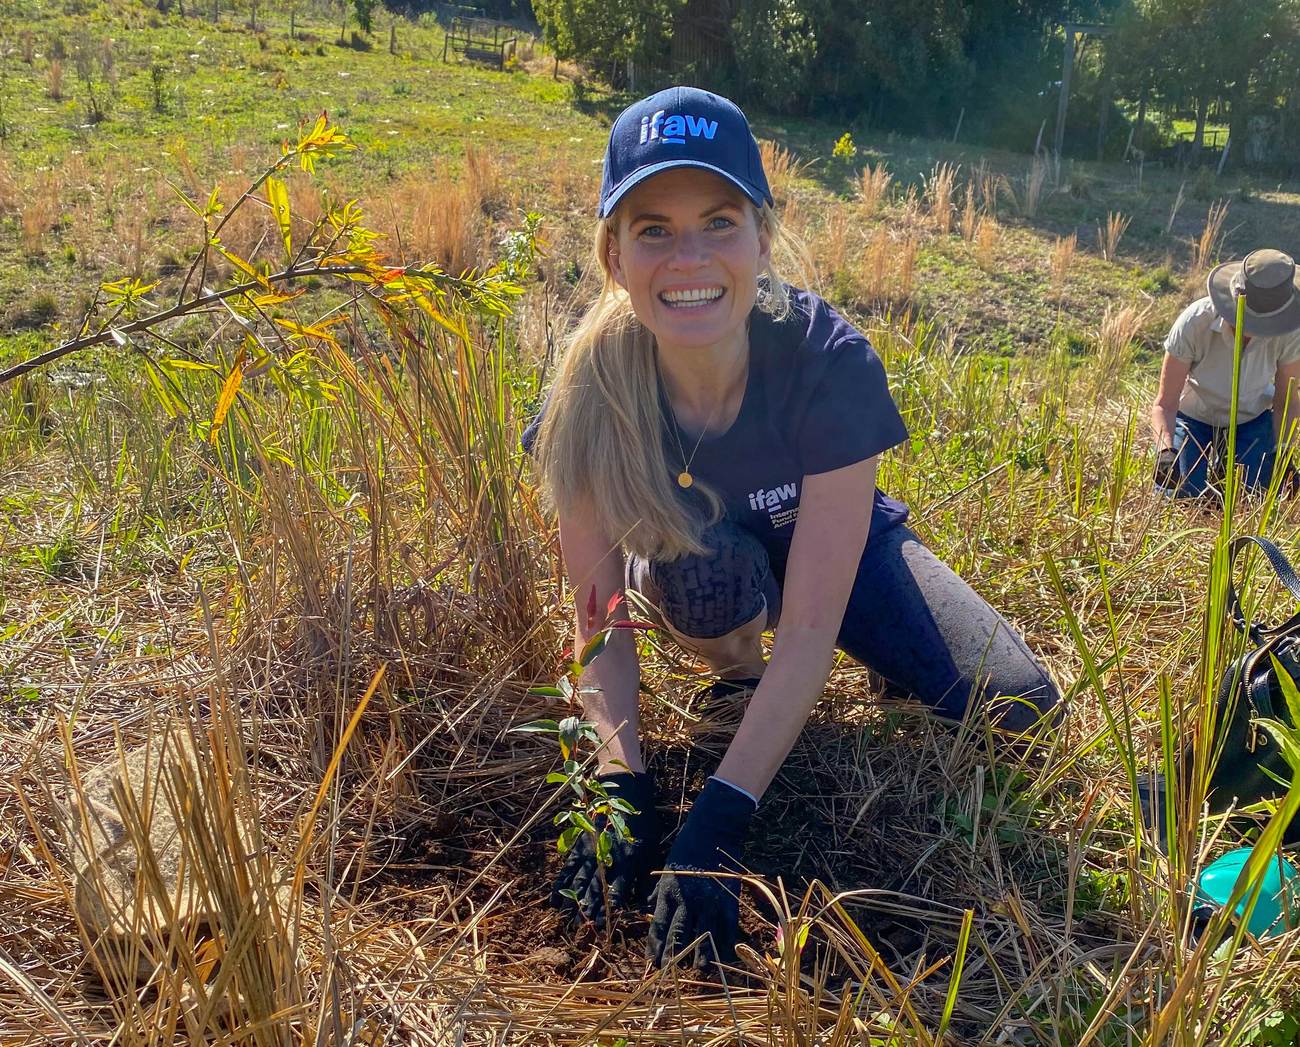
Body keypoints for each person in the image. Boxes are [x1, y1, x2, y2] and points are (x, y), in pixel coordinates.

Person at [523, 86, 1060, 973]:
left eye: (719, 221)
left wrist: (723, 814)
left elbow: (812, 623)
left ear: (761, 239)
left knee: (1017, 708)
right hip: (714, 573)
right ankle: (738, 676)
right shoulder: (589, 393)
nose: (687, 256)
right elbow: (600, 625)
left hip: (841, 561)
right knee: (708, 576)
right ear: (613, 255)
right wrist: (617, 786)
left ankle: (886, 661)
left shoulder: (828, 362)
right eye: (652, 228)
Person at [1150, 249, 1300, 499]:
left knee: (1253, 496)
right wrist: (1166, 451)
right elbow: (1164, 404)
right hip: (1194, 418)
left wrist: (1281, 453)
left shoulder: (1290, 333)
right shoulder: (1195, 321)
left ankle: (1231, 466)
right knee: (1181, 493)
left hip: (1251, 420)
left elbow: (1288, 402)